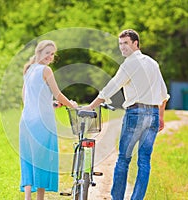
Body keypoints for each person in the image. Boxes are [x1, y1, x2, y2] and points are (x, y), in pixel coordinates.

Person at [83, 29, 169, 200]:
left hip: (135, 114)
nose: (122, 47)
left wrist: (92, 106)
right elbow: (164, 94)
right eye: (120, 44)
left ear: (136, 43)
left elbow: (112, 86)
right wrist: (160, 116)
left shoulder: (129, 64)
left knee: (123, 158)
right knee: (144, 160)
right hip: (152, 114)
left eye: (125, 43)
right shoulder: (153, 63)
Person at [19, 40, 78, 200]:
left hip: (26, 121)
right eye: (47, 53)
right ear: (39, 52)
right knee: (42, 159)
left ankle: (27, 198)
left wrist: (48, 104)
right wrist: (71, 105)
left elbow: (26, 97)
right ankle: (39, 198)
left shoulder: (28, 69)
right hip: (42, 123)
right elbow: (58, 94)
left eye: (52, 54)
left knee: (29, 159)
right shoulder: (46, 70)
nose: (50, 57)